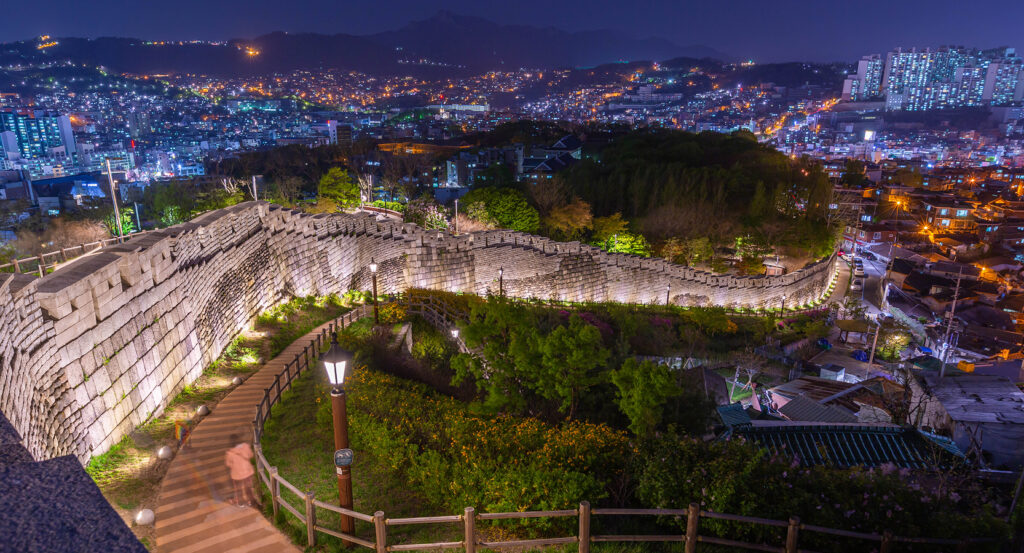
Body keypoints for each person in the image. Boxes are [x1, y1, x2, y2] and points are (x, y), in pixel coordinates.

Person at [224, 433, 257, 507]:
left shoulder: (229, 453)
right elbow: (251, 455)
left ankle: (241, 503)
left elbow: (228, 464)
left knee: (238, 490)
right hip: (247, 472)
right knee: (248, 487)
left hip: (236, 475)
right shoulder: (245, 446)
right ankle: (252, 501)